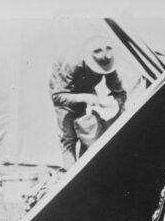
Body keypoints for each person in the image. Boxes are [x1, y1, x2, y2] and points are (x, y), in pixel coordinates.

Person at [49, 36, 127, 169]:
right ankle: (72, 180)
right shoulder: (71, 63)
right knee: (68, 138)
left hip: (87, 93)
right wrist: (83, 97)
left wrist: (115, 103)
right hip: (64, 93)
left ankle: (86, 173)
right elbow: (57, 96)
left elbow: (120, 92)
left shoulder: (107, 61)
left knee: (91, 136)